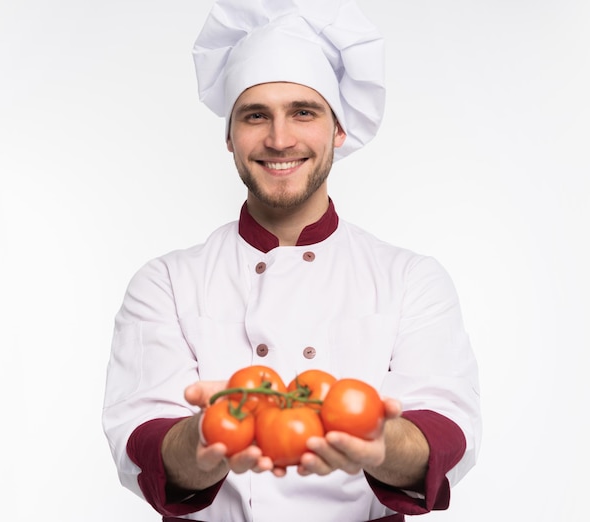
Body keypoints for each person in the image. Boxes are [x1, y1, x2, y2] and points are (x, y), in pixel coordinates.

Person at [102, 1, 481, 521]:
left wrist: (379, 442)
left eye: (304, 111)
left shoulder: (411, 279)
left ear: (338, 131)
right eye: (256, 115)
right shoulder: (165, 282)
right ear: (230, 136)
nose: (280, 139)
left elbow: (450, 432)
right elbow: (138, 441)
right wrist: (205, 437)